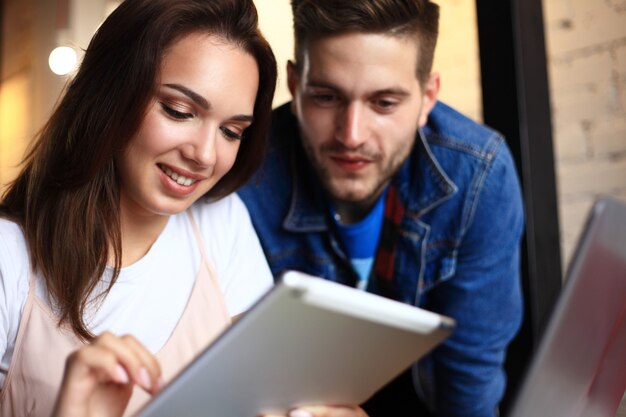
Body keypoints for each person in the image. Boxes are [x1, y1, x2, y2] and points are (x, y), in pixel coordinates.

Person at [238, 0, 525, 416]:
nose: (351, 134)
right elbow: (242, 377)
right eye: (326, 97)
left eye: (384, 103)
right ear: (295, 86)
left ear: (428, 97)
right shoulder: (247, 173)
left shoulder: (478, 177)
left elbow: (469, 385)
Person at [0, 0, 279, 415]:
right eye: (179, 111)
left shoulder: (223, 222)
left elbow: (262, 394)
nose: (205, 155)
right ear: (112, 94)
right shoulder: (9, 255)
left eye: (231, 131)